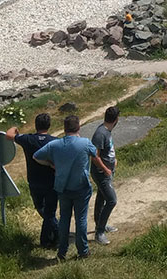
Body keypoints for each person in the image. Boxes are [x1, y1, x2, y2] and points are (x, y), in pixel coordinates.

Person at [34, 115, 112, 262]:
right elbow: (95, 155)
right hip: (81, 187)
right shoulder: (85, 143)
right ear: (78, 127)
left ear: (64, 129)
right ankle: (83, 251)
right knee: (80, 219)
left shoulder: (55, 144)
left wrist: (51, 164)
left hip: (62, 187)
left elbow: (36, 156)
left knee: (64, 219)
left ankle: (62, 252)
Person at [7, 113, 59, 249]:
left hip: (34, 181)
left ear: (35, 125)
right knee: (50, 211)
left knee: (41, 209)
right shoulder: (55, 141)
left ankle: (49, 239)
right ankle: (57, 234)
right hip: (51, 181)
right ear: (49, 125)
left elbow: (8, 135)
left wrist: (15, 128)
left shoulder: (27, 139)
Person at [91, 107, 120, 245]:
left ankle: (100, 223)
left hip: (107, 170)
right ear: (116, 119)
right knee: (111, 200)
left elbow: (107, 149)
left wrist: (113, 160)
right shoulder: (100, 133)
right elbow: (94, 156)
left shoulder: (106, 131)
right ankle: (99, 232)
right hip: (101, 173)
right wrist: (105, 169)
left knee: (101, 197)